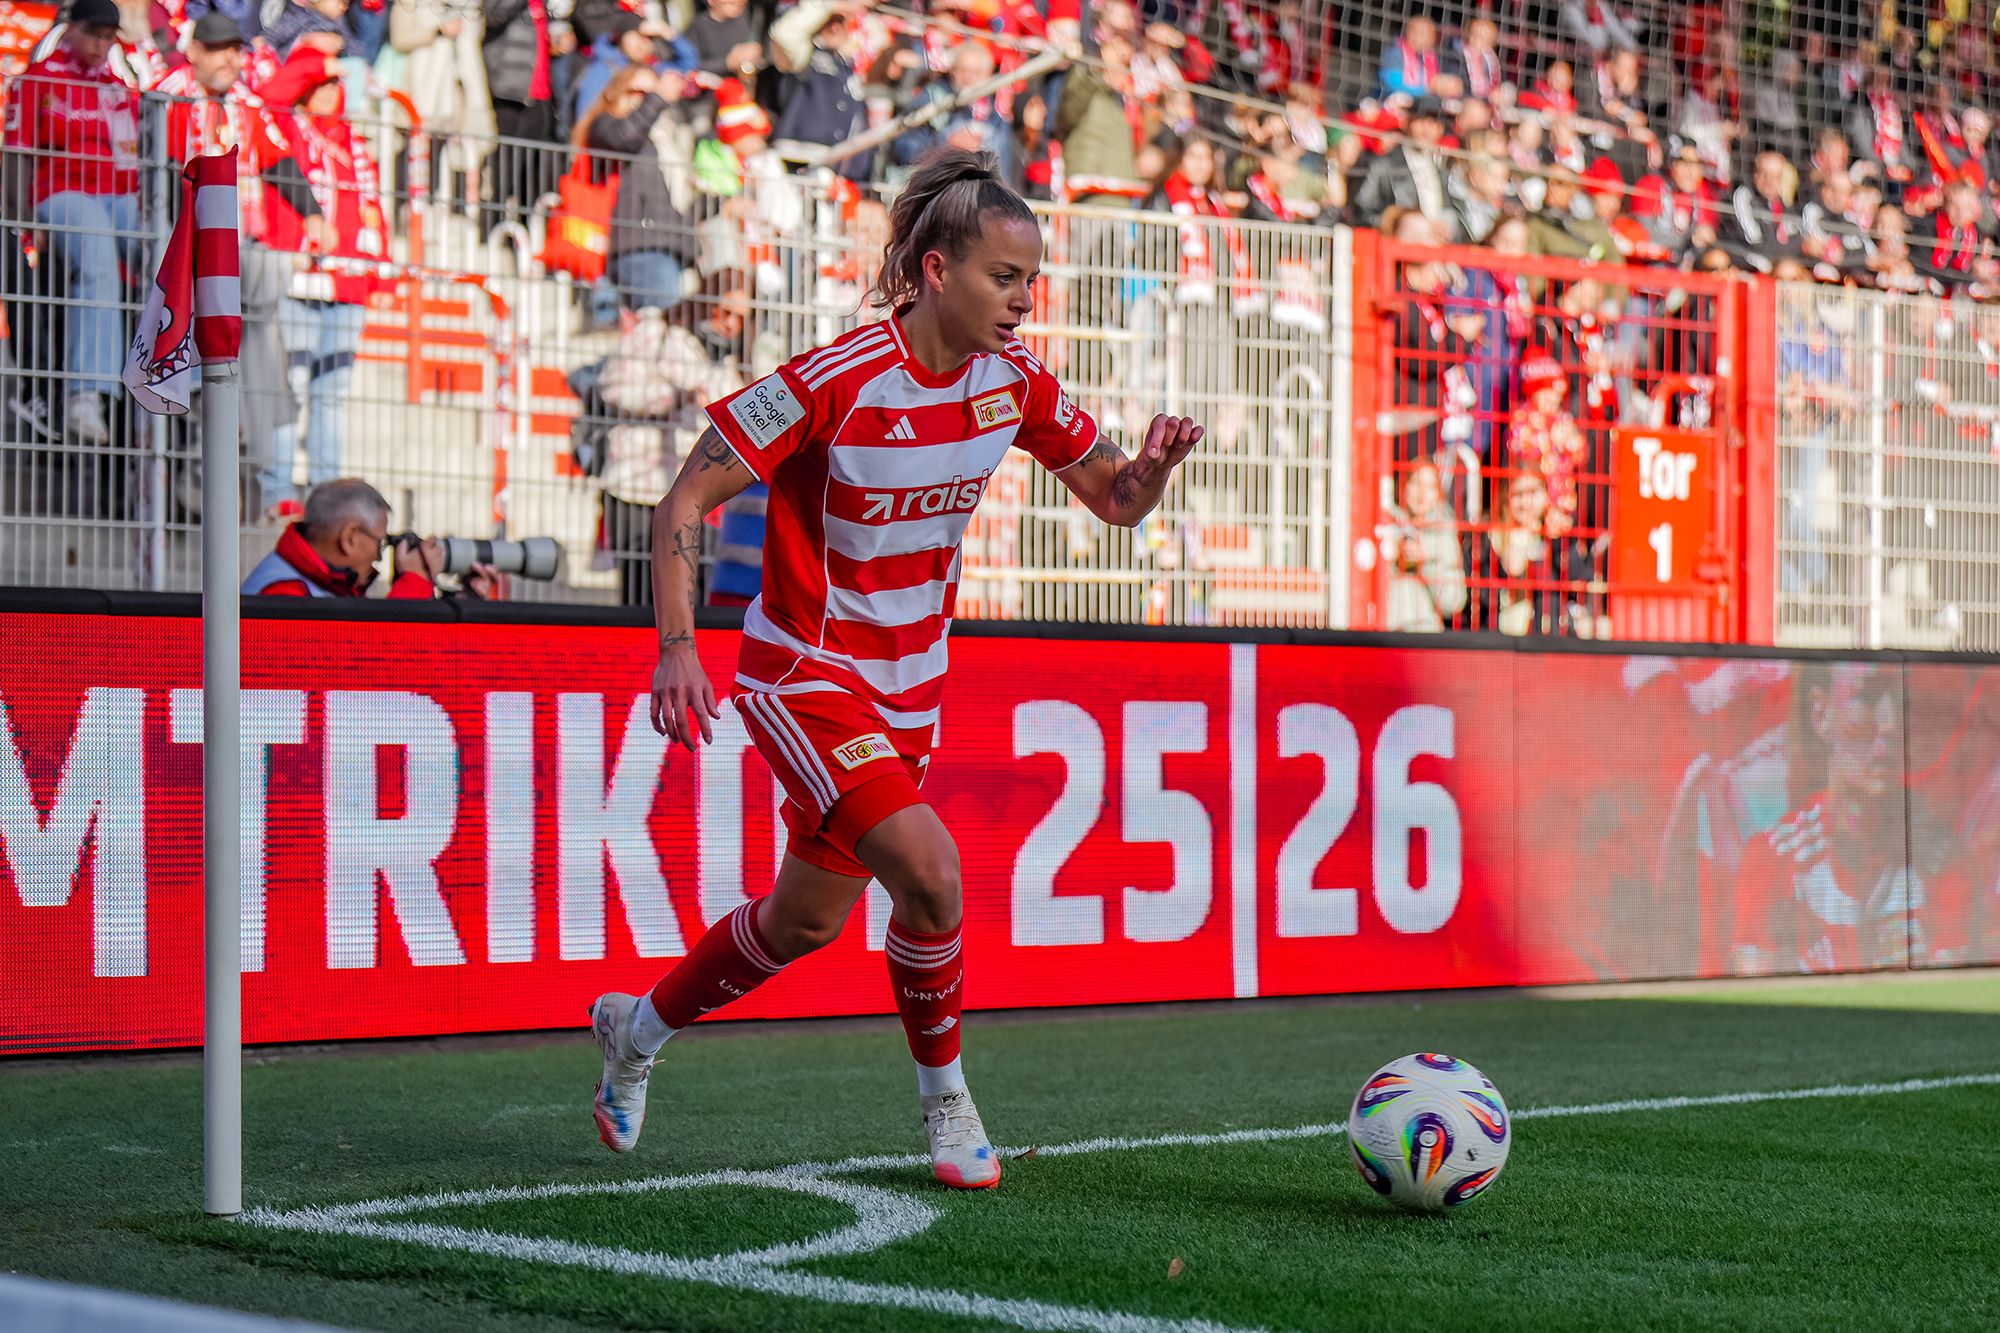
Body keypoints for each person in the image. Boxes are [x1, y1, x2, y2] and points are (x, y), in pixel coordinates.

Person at [586, 150, 1205, 1188]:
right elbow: (683, 501)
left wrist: (1146, 473)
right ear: (931, 270)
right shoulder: (829, 383)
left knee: (803, 922)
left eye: (1029, 281)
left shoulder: (1012, 387)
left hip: (911, 691)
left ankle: (633, 1032)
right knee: (930, 870)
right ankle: (948, 1106)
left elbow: (1112, 501)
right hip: (804, 674)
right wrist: (678, 648)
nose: (1022, 300)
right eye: (1003, 278)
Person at [4, 0, 141, 446]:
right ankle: (87, 394)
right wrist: (26, 223)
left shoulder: (119, 88)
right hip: (60, 192)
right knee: (97, 250)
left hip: (118, 195)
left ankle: (190, 381)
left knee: (171, 252)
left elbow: (134, 160)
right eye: (95, 34)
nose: (102, 45)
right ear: (71, 30)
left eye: (109, 37)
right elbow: (16, 157)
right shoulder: (38, 79)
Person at [242, 478, 497, 597]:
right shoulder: (285, 594)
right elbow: (368, 668)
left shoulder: (319, 581)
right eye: (380, 543)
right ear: (350, 537)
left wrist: (464, 600)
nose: (378, 557)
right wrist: (414, 582)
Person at [1383, 461, 1467, 632]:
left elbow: (1453, 602)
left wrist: (1427, 559)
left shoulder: (1444, 532)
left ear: (1438, 494)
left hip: (1425, 632)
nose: (1422, 493)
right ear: (1403, 486)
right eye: (1416, 483)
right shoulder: (1386, 522)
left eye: (1429, 486)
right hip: (1387, 631)